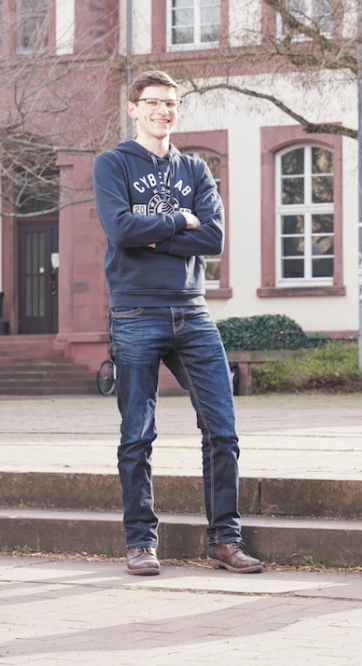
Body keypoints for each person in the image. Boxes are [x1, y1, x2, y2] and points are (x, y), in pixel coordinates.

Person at [93, 70, 261, 576]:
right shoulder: (112, 164)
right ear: (132, 108)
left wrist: (154, 235)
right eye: (153, 103)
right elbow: (119, 229)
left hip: (192, 311)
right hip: (135, 311)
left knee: (223, 430)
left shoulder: (196, 170)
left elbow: (212, 240)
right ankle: (141, 543)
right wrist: (178, 221)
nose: (163, 111)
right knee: (137, 434)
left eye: (171, 103)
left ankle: (224, 541)